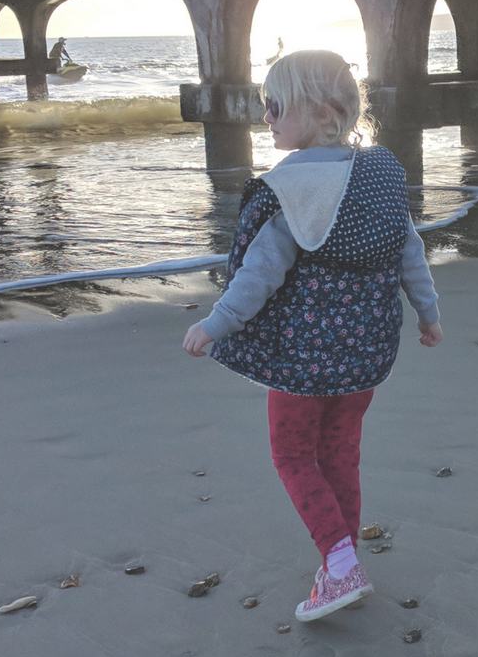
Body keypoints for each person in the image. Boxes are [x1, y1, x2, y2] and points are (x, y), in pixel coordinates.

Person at [182, 50, 443, 622]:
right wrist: (428, 314)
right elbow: (410, 255)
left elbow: (259, 274)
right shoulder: (379, 175)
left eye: (274, 105)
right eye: (263, 106)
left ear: (323, 111)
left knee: (293, 454)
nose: (266, 117)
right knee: (341, 453)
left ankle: (342, 564)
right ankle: (339, 560)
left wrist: (215, 323)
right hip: (365, 359)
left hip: (303, 364)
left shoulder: (293, 186)